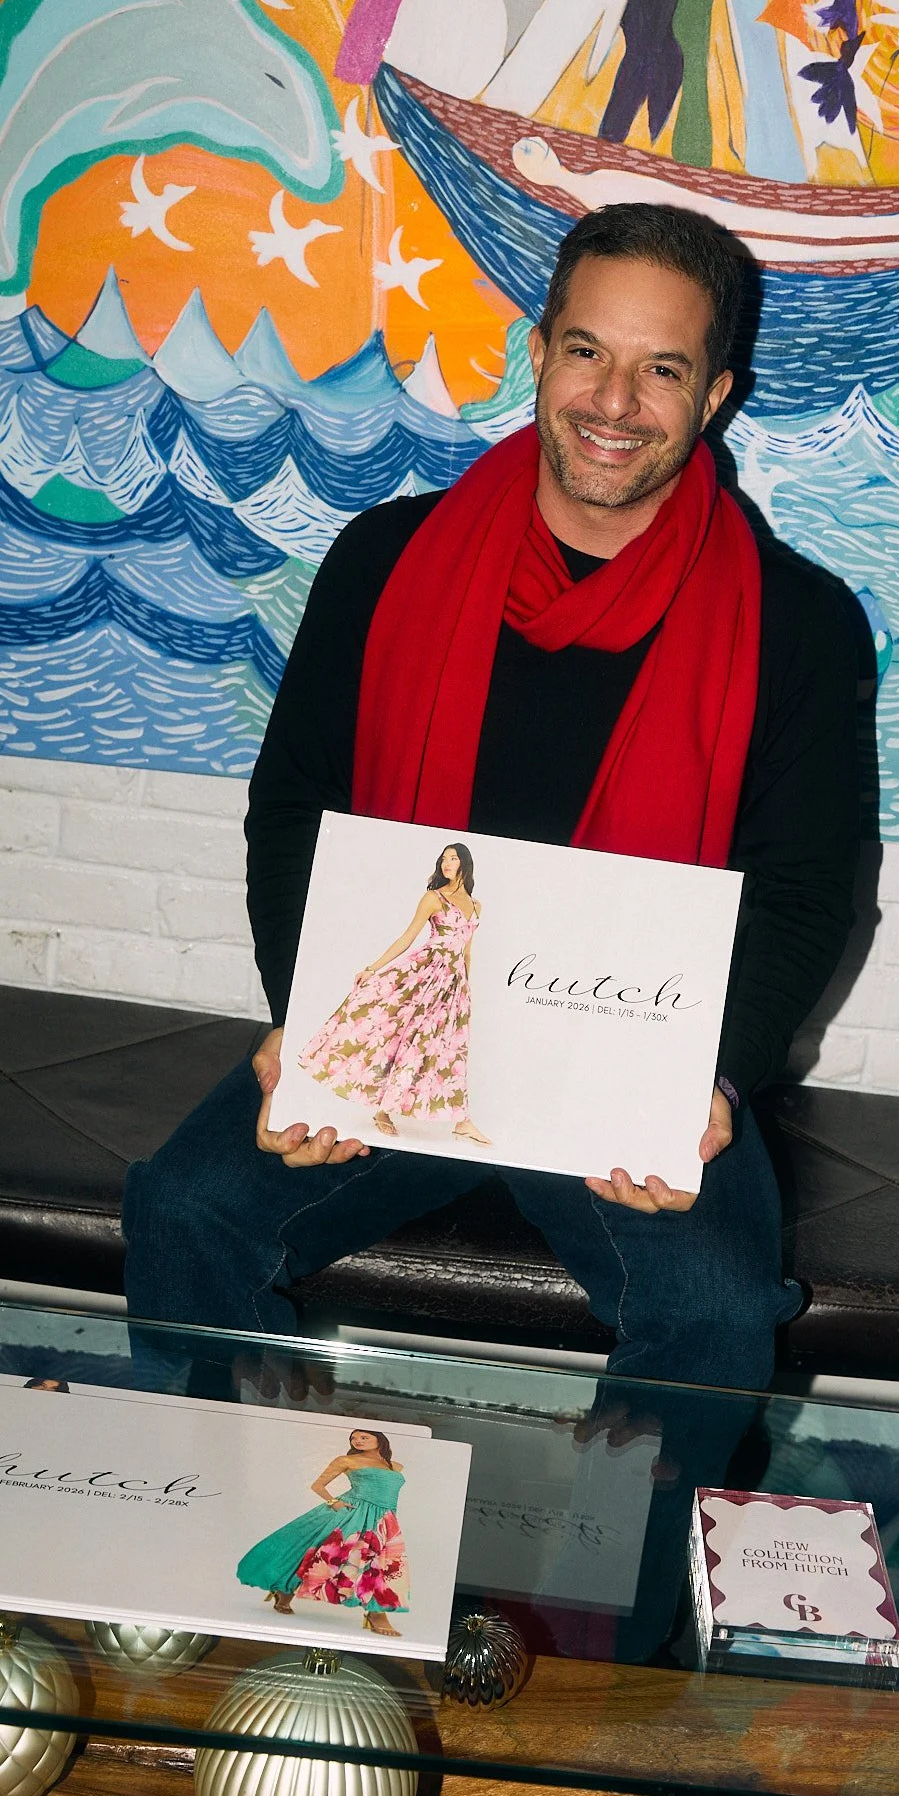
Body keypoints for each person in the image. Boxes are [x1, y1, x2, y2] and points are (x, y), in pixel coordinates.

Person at [122, 202, 861, 1392]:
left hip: (625, 1065)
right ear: (539, 352)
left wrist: (710, 1078)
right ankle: (250, 1515)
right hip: (404, 1035)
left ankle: (626, 1575)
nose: (613, 401)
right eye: (586, 351)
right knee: (182, 1207)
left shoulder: (801, 625)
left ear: (716, 393)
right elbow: (297, 808)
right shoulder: (384, 561)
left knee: (719, 1306)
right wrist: (312, 1033)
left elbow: (809, 886)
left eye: (660, 368)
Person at [298, 840, 488, 1145]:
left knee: (448, 1048)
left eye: (452, 859)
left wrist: (468, 987)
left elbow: (467, 951)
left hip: (452, 986)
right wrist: (372, 969)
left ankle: (461, 1120)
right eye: (443, 859)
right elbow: (408, 937)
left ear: (465, 863)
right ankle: (383, 1110)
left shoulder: (477, 906)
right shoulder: (433, 898)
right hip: (425, 974)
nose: (446, 864)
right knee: (400, 1035)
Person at [236, 1426, 407, 1637]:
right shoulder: (346, 1461)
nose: (358, 1441)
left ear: (380, 1440)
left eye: (364, 1437)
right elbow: (318, 1485)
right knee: (319, 1555)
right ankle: (286, 1588)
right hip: (352, 1514)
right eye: (354, 1438)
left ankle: (375, 1610)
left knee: (380, 1563)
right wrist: (334, 1503)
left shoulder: (395, 1466)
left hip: (384, 1519)